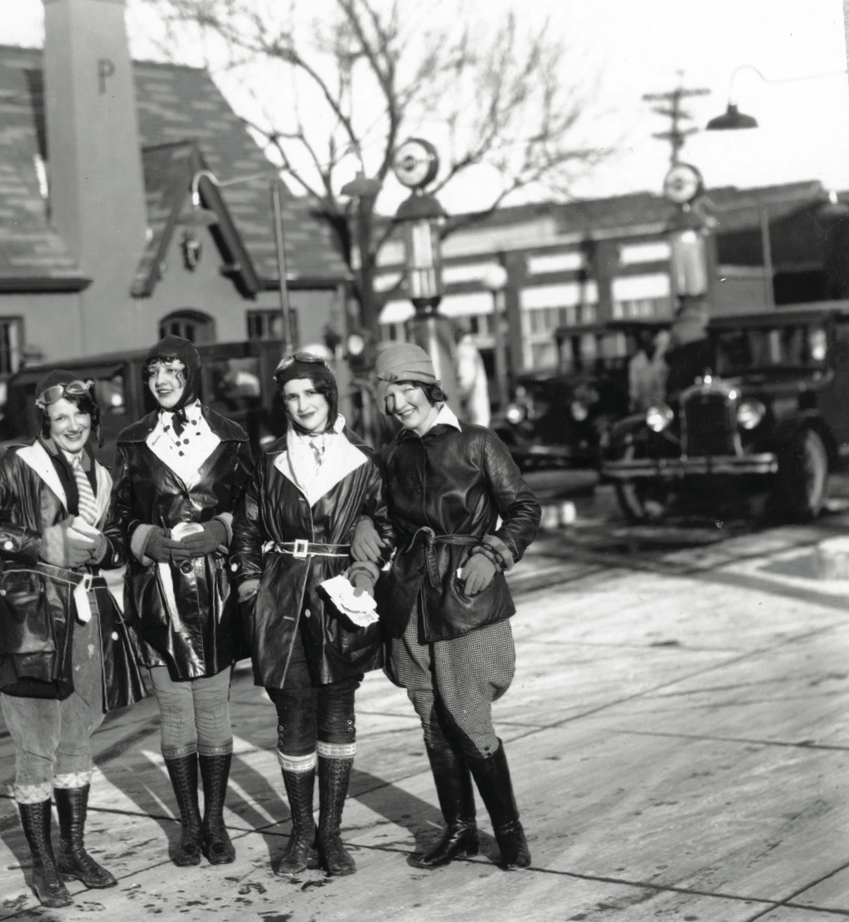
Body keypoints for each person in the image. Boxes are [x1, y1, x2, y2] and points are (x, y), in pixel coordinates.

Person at [0, 370, 147, 908]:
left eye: (79, 414)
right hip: (34, 617)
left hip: (86, 614)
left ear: (92, 417)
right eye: (60, 417)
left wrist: (106, 550)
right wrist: (41, 544)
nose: (71, 425)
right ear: (45, 420)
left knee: (78, 739)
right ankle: (42, 863)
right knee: (36, 745)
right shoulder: (20, 464)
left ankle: (73, 850)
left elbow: (113, 541)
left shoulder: (101, 475)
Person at [352, 342, 541, 872]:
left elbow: (524, 508)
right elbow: (387, 523)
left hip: (465, 595)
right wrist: (368, 527)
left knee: (469, 716)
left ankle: (509, 833)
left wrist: (494, 553)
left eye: (405, 389)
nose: (398, 404)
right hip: (410, 597)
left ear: (429, 387)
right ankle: (460, 831)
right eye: (388, 396)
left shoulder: (477, 442)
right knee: (432, 716)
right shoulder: (391, 455)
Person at [230, 352, 391, 878]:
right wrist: (250, 584)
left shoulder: (363, 460)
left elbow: (388, 521)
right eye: (291, 398)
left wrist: (370, 551)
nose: (302, 406)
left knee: (337, 714)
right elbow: (247, 529)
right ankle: (301, 834)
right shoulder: (270, 460)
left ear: (329, 395)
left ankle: (332, 835)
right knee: (293, 716)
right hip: (280, 599)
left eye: (310, 395)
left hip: (339, 598)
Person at [112, 335, 254, 867]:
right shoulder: (132, 441)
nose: (162, 381)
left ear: (192, 374)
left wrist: (224, 528)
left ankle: (215, 824)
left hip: (216, 593)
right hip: (157, 592)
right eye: (154, 372)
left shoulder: (231, 438)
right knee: (174, 712)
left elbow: (256, 506)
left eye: (172, 370)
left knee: (212, 708)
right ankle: (189, 826)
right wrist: (143, 537)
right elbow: (116, 515)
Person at [628, 328, 670, 411]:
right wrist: (635, 400)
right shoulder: (635, 361)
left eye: (648, 337)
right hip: (644, 404)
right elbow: (634, 385)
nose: (647, 341)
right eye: (644, 338)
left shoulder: (663, 358)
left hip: (663, 403)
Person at [455, 330, 491, 427]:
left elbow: (466, 381)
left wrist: (454, 395)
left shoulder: (465, 349)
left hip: (473, 404)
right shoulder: (469, 348)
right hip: (476, 403)